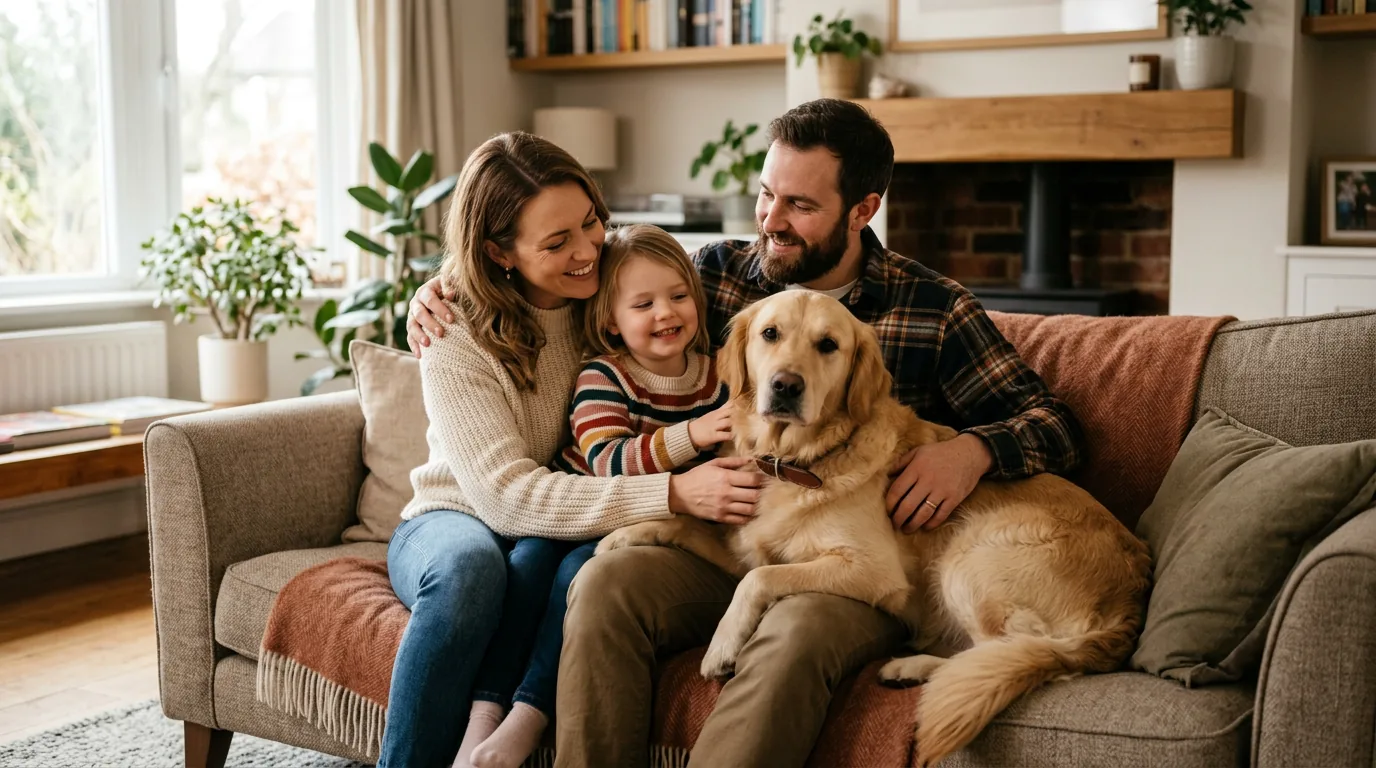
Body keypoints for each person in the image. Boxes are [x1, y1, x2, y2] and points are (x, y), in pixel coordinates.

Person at [405, 98, 1087, 768]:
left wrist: (969, 452)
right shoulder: (713, 279)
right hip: (740, 520)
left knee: (794, 624)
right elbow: (604, 277)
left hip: (870, 562)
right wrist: (441, 289)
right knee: (605, 579)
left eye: (800, 205)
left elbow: (1052, 424)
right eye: (766, 196)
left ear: (862, 210)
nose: (772, 220)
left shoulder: (934, 307)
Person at [381, 131, 763, 768]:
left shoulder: (616, 294)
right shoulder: (452, 327)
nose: (589, 250)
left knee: (583, 568)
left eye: (592, 222)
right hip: (458, 514)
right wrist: (670, 490)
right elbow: (504, 498)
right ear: (499, 251)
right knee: (469, 571)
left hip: (567, 522)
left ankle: (516, 724)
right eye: (558, 242)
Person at [459, 223, 734, 768]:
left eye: (679, 296)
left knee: (578, 578)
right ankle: (486, 710)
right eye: (644, 303)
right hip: (576, 510)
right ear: (611, 320)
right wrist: (694, 435)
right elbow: (608, 463)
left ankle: (531, 711)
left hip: (631, 531)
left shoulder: (719, 378)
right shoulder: (603, 376)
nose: (666, 313)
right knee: (531, 565)